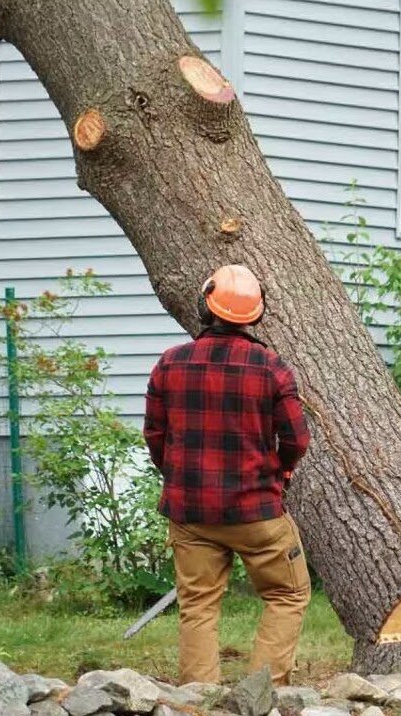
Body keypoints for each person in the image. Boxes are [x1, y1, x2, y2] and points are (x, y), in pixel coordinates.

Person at [143, 264, 311, 686]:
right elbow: (296, 439)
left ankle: (198, 699)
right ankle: (263, 693)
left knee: (197, 604)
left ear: (206, 307)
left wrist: (181, 479)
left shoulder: (169, 364)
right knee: (288, 594)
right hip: (257, 512)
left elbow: (155, 436)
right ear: (256, 314)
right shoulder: (271, 368)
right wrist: (280, 474)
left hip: (191, 512)